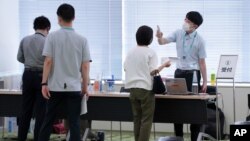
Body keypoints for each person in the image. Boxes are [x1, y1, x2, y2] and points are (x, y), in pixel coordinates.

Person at [38, 3, 91, 141]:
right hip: (74, 88)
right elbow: (85, 67)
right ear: (74, 17)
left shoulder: (52, 37)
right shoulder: (82, 40)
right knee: (74, 123)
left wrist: (44, 83)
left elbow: (48, 61)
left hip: (55, 87)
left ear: (58, 18)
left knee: (48, 120)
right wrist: (85, 87)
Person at [156, 11, 207, 141]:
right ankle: (178, 137)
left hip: (193, 74)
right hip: (179, 73)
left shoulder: (200, 40)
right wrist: (159, 37)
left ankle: (194, 137)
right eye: (185, 19)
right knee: (177, 106)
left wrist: (205, 82)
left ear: (195, 26)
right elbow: (163, 42)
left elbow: (202, 62)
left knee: (193, 107)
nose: (185, 22)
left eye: (188, 21)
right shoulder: (179, 33)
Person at [124, 25, 171, 141]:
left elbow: (125, 68)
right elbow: (153, 72)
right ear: (150, 39)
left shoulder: (130, 52)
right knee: (146, 121)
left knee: (137, 119)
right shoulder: (150, 52)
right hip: (145, 89)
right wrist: (165, 65)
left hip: (132, 89)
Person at [17, 16, 50, 141]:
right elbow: (50, 61)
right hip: (42, 77)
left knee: (25, 110)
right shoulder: (48, 41)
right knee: (41, 112)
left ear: (34, 27)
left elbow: (19, 58)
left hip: (27, 75)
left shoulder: (25, 39)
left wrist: (30, 62)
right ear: (48, 28)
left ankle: (21, 138)